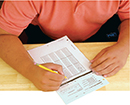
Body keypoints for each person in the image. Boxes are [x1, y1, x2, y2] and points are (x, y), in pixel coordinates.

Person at [0, 1, 129, 91]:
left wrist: (124, 46)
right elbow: (3, 35)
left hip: (102, 31)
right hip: (45, 36)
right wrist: (29, 69)